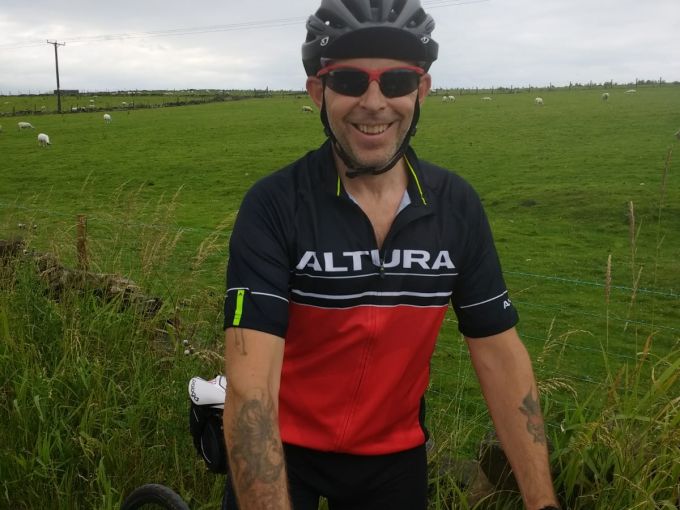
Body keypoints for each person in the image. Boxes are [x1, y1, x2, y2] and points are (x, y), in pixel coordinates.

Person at [222, 0, 561, 509]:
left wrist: (542, 502)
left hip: (393, 457)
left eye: (397, 81)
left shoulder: (456, 207)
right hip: (283, 448)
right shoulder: (275, 205)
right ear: (317, 92)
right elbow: (251, 389)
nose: (375, 102)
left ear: (421, 91)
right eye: (350, 80)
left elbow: (498, 353)